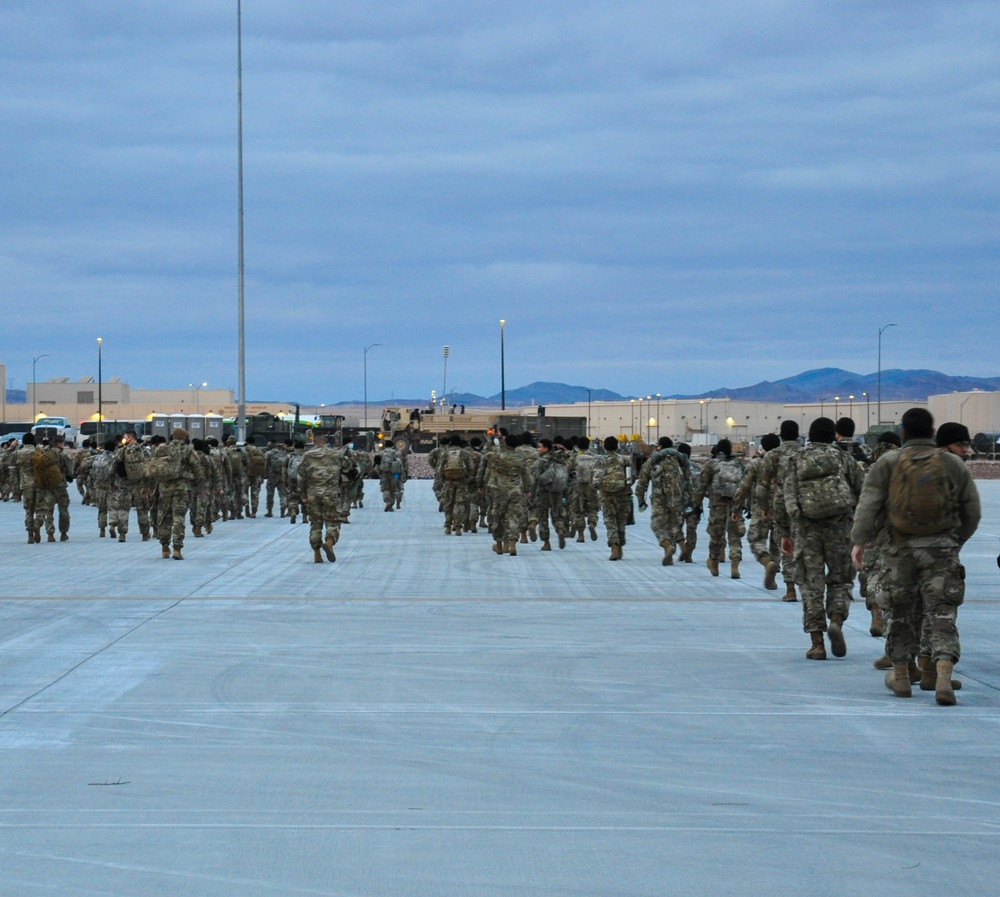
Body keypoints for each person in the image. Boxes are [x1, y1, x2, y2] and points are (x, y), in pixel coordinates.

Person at [852, 408, 980, 704]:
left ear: (903, 432)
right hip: (941, 550)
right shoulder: (950, 464)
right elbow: (971, 510)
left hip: (898, 550)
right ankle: (942, 676)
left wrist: (859, 541)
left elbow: (868, 504)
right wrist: (955, 541)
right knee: (942, 612)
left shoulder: (888, 462)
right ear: (932, 432)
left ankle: (901, 676)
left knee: (899, 611)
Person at [778, 418, 864, 660]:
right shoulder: (845, 459)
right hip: (840, 529)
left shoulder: (795, 460)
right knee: (840, 580)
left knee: (810, 585)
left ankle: (817, 643)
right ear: (832, 435)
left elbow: (783, 497)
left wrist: (785, 532)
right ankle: (836, 620)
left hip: (806, 530)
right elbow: (863, 493)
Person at [758, 420, 803, 600]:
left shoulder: (773, 455)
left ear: (781, 435)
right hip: (804, 503)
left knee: (786, 545)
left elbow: (763, 485)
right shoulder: (804, 453)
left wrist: (765, 507)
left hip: (782, 504)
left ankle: (790, 588)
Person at [732, 433, 781, 588]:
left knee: (756, 540)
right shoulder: (786, 462)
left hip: (761, 508)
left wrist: (737, 508)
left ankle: (767, 562)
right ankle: (786, 585)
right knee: (779, 544)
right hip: (782, 509)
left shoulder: (756, 464)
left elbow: (744, 487)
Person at [693, 439, 745, 578]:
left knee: (716, 534)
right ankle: (734, 566)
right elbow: (745, 486)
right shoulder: (738, 464)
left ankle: (714, 563)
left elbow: (701, 487)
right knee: (735, 536)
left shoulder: (712, 464)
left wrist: (696, 505)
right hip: (736, 504)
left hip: (718, 503)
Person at [149, 428, 202, 560]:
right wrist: (199, 483)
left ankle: (164, 548)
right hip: (182, 488)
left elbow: (153, 468)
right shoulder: (187, 450)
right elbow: (197, 467)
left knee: (164, 517)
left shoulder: (161, 449)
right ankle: (177, 549)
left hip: (164, 488)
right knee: (178, 517)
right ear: (183, 438)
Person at [634, 437, 687, 566]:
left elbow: (641, 484)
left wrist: (641, 500)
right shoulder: (679, 461)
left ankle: (667, 545)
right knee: (673, 526)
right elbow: (689, 481)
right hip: (677, 499)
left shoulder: (652, 462)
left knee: (657, 525)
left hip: (659, 499)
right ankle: (672, 552)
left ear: (659, 447)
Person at [297, 432, 348, 563]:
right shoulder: (336, 454)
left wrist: (303, 495)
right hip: (330, 493)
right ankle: (329, 542)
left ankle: (317, 554)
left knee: (315, 524)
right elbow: (348, 468)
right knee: (333, 521)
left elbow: (301, 477)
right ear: (325, 440)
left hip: (313, 494)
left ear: (314, 441)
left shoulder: (307, 456)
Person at [488, 434, 531, 555]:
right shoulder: (521, 457)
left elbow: (487, 456)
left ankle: (499, 544)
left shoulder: (499, 456)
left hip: (499, 490)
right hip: (516, 489)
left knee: (498, 517)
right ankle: (512, 543)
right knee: (513, 517)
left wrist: (492, 442)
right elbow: (526, 475)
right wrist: (527, 489)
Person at [593, 436, 631, 560]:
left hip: (606, 494)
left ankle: (614, 546)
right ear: (617, 446)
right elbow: (631, 478)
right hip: (622, 493)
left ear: (604, 447)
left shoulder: (601, 460)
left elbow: (596, 478)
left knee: (610, 521)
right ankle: (620, 547)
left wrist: (597, 487)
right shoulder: (625, 460)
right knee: (621, 521)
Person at [532, 438, 571, 550]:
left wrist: (532, 494)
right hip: (557, 491)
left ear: (545, 448)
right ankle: (560, 529)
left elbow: (534, 479)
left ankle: (546, 543)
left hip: (543, 492)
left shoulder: (540, 462)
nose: (538, 449)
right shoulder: (559, 459)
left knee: (543, 517)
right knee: (556, 514)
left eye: (540, 447)